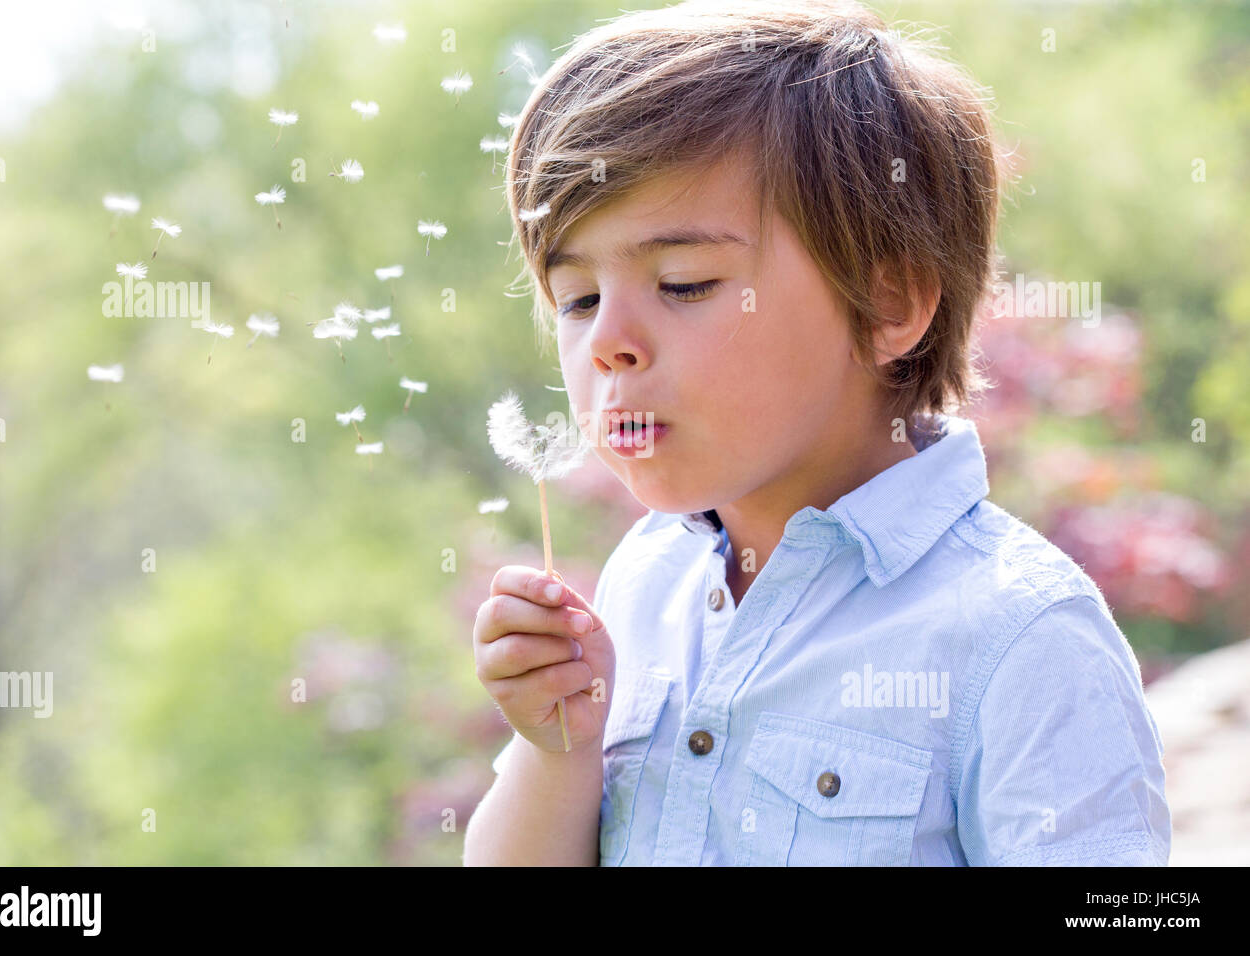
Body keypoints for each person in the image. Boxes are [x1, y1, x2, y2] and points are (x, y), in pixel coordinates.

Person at [464, 0, 1170, 866]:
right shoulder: (643, 586)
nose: (609, 341)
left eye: (683, 282)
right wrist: (557, 750)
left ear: (888, 304)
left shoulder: (1020, 636)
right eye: (577, 298)